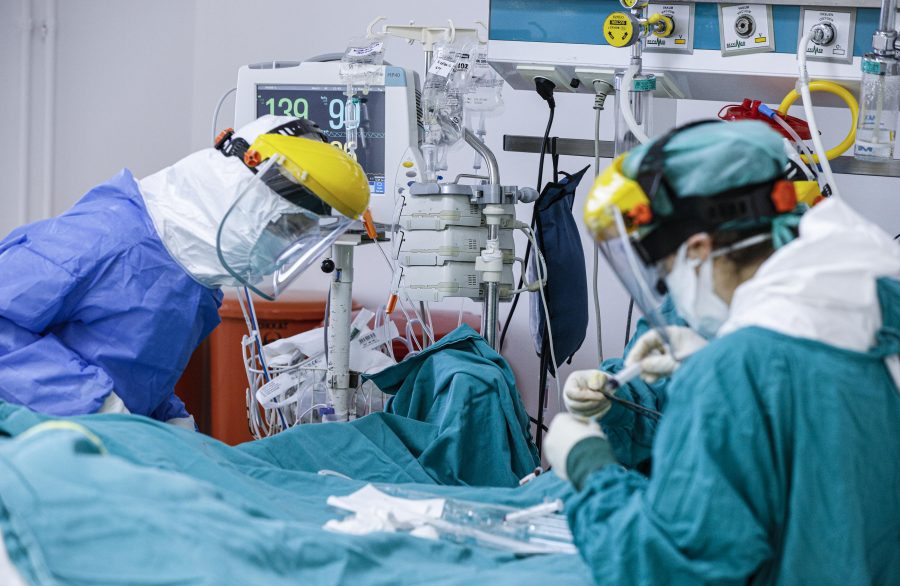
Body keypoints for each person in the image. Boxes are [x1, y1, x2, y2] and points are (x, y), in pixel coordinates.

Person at [545, 120, 900, 584]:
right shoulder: (876, 307)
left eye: (665, 270)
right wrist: (705, 364)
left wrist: (588, 467)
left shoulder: (737, 372)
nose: (668, 287)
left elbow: (666, 569)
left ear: (697, 250)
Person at [0, 115, 370, 428]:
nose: (280, 249)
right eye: (283, 228)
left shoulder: (191, 279)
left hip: (97, 445)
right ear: (242, 190)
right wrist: (98, 407)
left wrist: (171, 421)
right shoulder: (107, 237)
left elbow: (137, 372)